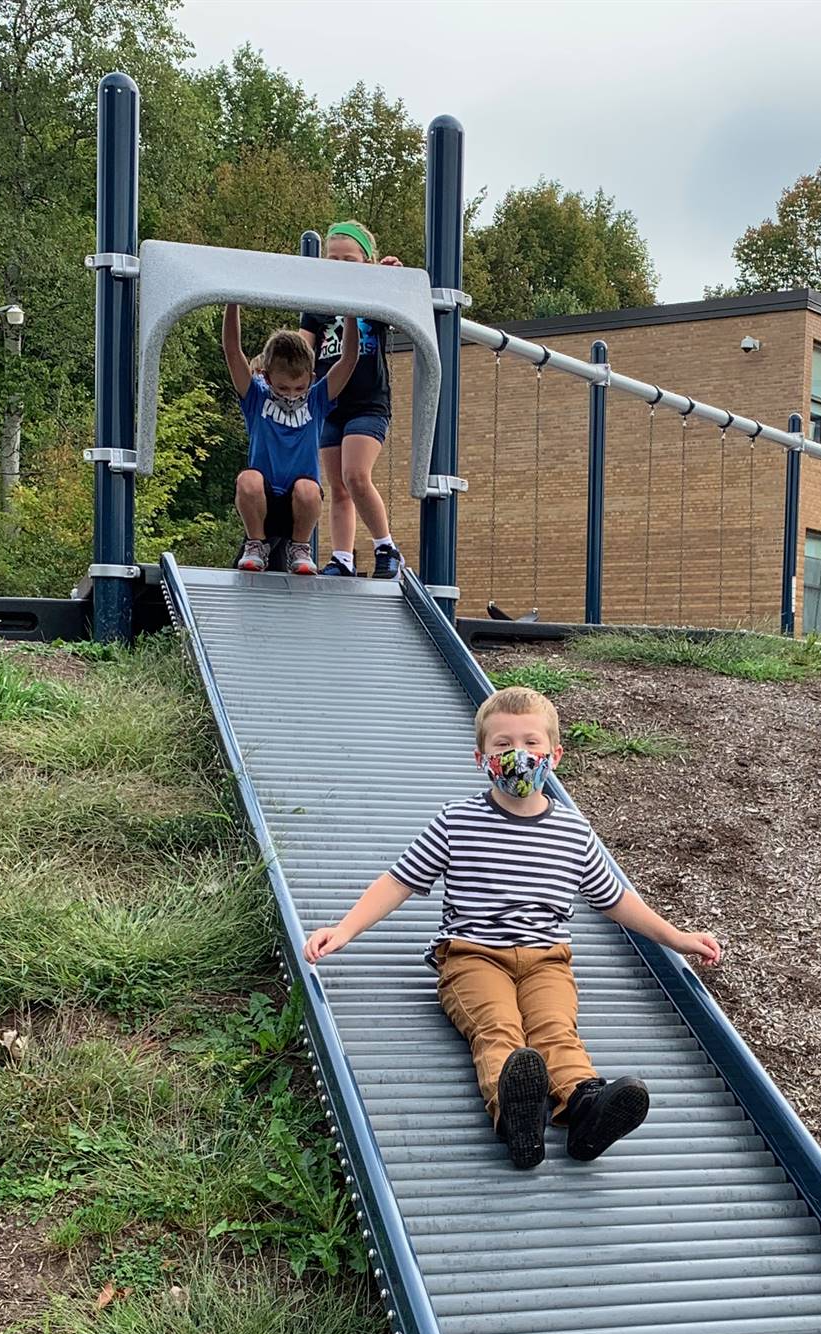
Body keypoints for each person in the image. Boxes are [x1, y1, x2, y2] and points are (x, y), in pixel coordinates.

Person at [303, 685, 722, 1170]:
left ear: (555, 755)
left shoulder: (572, 831)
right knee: (498, 1028)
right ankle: (518, 1116)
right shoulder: (457, 821)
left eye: (531, 744)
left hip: (548, 959)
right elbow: (399, 880)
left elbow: (617, 900)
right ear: (480, 757)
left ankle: (585, 1107)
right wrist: (347, 928)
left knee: (555, 1030)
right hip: (472, 955)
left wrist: (677, 938)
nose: (518, 756)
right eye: (503, 746)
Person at [300, 221, 404, 580]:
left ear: (366, 262)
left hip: (368, 403)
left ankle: (386, 546)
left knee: (356, 474)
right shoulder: (318, 306)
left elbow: (399, 304)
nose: (341, 264)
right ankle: (342, 557)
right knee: (338, 487)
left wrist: (389, 277)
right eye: (334, 259)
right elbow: (302, 349)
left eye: (350, 259)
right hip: (330, 406)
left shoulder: (372, 301)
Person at [223, 306, 359, 575]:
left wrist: (351, 311)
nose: (291, 395)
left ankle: (300, 546)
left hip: (301, 502)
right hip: (263, 498)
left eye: (299, 387)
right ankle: (256, 544)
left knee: (308, 488)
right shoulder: (256, 396)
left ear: (310, 379)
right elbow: (231, 349)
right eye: (282, 387)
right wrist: (232, 302)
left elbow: (349, 359)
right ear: (266, 377)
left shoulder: (317, 399)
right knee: (247, 480)